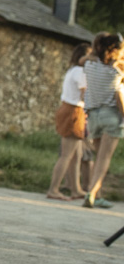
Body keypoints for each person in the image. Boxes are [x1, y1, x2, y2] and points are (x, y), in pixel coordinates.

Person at [83, 32, 123, 209]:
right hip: (111, 116)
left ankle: (97, 195)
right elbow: (118, 96)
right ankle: (91, 193)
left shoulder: (89, 66)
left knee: (98, 157)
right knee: (104, 159)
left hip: (93, 116)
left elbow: (87, 57)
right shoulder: (116, 72)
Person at [47, 43, 91, 200]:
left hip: (68, 109)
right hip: (74, 111)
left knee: (76, 154)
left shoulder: (72, 70)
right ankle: (54, 188)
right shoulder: (80, 72)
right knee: (67, 155)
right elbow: (84, 95)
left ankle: (76, 189)